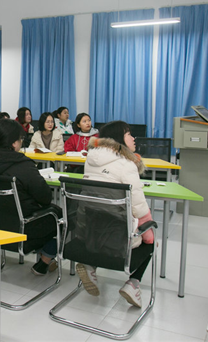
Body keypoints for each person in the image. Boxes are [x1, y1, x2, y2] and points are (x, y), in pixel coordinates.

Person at [77, 121, 155, 308]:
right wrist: (147, 230)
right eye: (129, 134)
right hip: (119, 237)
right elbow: (139, 207)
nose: (133, 138)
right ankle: (133, 284)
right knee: (151, 238)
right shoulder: (126, 164)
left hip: (89, 230)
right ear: (119, 138)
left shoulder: (90, 160)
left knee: (104, 219)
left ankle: (90, 265)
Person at [0, 119, 60, 275]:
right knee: (60, 215)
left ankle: (44, 256)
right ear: (14, 143)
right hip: (20, 229)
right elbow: (45, 198)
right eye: (21, 139)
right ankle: (45, 259)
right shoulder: (23, 165)